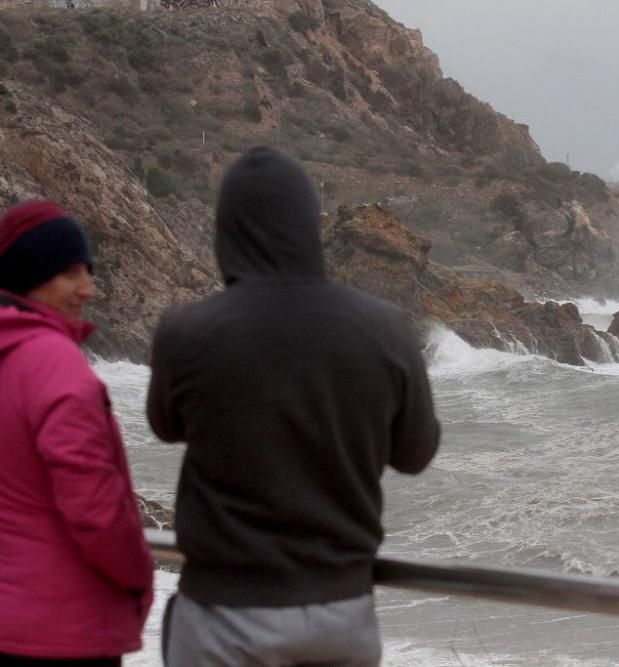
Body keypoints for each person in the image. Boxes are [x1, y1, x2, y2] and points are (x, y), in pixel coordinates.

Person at [147, 146, 441, 666]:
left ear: (226, 233)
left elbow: (165, 425)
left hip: (223, 612)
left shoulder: (186, 331)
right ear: (310, 227)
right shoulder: (386, 328)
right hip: (339, 614)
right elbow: (415, 454)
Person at [0, 200, 154, 665]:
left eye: (88, 272)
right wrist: (140, 574)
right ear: (31, 275)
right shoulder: (55, 363)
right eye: (70, 274)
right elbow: (94, 508)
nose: (88, 289)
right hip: (62, 630)